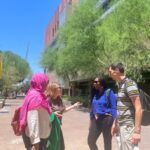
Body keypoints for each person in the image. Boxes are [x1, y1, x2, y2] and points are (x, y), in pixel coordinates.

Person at [108, 62, 143, 150]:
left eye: (110, 72)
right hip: (122, 125)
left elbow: (139, 108)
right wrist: (115, 123)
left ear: (117, 70)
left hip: (128, 125)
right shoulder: (121, 85)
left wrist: (137, 132)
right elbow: (120, 107)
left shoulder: (129, 84)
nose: (109, 75)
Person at [19, 72, 52, 150]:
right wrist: (35, 143)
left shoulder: (36, 94)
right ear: (41, 82)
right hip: (38, 140)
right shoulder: (36, 97)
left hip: (40, 136)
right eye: (46, 83)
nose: (47, 86)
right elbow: (32, 119)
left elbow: (40, 113)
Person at [45, 82, 82, 150]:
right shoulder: (48, 100)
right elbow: (44, 115)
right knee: (52, 146)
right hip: (50, 128)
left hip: (58, 126)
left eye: (60, 87)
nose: (61, 89)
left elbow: (63, 111)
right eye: (59, 88)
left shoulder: (59, 99)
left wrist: (74, 106)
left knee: (60, 147)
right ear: (53, 89)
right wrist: (52, 114)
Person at [87, 77, 117, 150]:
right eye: (94, 82)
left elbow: (114, 108)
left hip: (107, 120)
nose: (94, 83)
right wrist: (90, 122)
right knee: (90, 141)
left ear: (102, 84)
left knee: (107, 142)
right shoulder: (95, 94)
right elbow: (92, 110)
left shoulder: (109, 92)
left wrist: (114, 123)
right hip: (96, 120)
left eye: (96, 82)